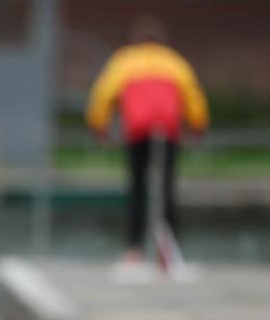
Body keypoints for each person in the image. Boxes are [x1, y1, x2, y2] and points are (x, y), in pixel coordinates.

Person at [85, 15, 209, 263]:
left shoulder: (124, 61)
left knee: (138, 188)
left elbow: (103, 95)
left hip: (137, 131)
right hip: (167, 132)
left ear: (135, 40)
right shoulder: (174, 62)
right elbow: (194, 98)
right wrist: (197, 128)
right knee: (167, 188)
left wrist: (100, 127)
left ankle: (134, 248)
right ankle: (169, 249)